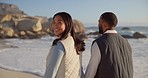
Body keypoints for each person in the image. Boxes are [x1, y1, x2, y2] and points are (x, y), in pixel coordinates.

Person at [85, 12, 133, 78]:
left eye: (99, 22)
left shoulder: (99, 43)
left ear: (104, 24)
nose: (98, 24)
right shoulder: (126, 42)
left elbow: (91, 70)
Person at [43, 12, 85, 78]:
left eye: (59, 22)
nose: (55, 25)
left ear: (67, 24)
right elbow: (80, 71)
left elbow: (51, 72)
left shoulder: (60, 45)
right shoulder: (77, 43)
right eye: (54, 22)